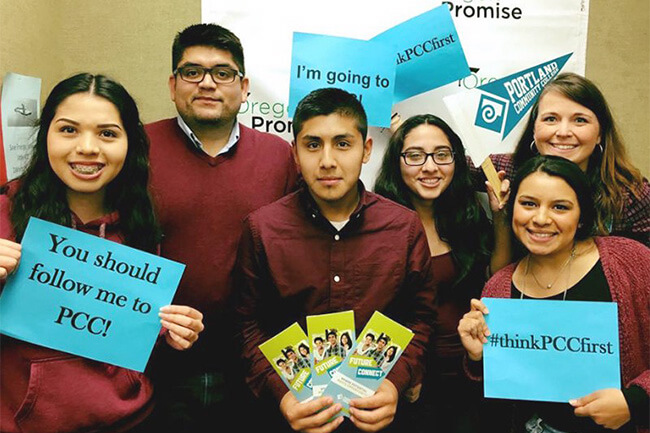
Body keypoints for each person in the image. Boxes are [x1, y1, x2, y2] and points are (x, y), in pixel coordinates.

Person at [0, 73, 204, 433]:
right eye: (68, 130)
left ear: (130, 144)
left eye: (107, 133)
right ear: (45, 134)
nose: (88, 148)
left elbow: (128, 331)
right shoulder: (6, 215)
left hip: (133, 420)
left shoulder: (140, 226)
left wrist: (172, 333)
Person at [236, 88, 436, 433]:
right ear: (295, 153)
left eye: (342, 144)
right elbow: (246, 324)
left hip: (378, 416)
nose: (327, 160)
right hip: (290, 419)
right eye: (313, 145)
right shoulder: (262, 229)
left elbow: (421, 318)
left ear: (366, 150)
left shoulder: (403, 227)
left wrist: (396, 382)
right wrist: (282, 394)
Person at [144, 23, 298, 430]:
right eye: (192, 72)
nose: (207, 83)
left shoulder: (279, 156)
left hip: (254, 360)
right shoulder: (135, 149)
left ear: (244, 87)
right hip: (155, 361)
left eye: (223, 73)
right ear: (173, 84)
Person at [458, 155, 649, 433]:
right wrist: (479, 358)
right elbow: (498, 401)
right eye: (528, 204)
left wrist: (636, 401)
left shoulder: (630, 261)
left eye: (560, 207)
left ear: (581, 215)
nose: (541, 219)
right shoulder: (498, 288)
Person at [375, 113, 510, 433]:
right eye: (415, 156)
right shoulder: (377, 222)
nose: (430, 167)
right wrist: (403, 371)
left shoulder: (467, 215)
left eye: (442, 154)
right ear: (397, 162)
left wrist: (499, 215)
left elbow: (497, 280)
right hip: (405, 376)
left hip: (469, 369)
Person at [475, 72, 650, 246]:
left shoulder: (629, 195)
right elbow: (450, 167)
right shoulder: (508, 170)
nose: (563, 132)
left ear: (600, 134)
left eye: (580, 120)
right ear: (534, 129)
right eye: (551, 119)